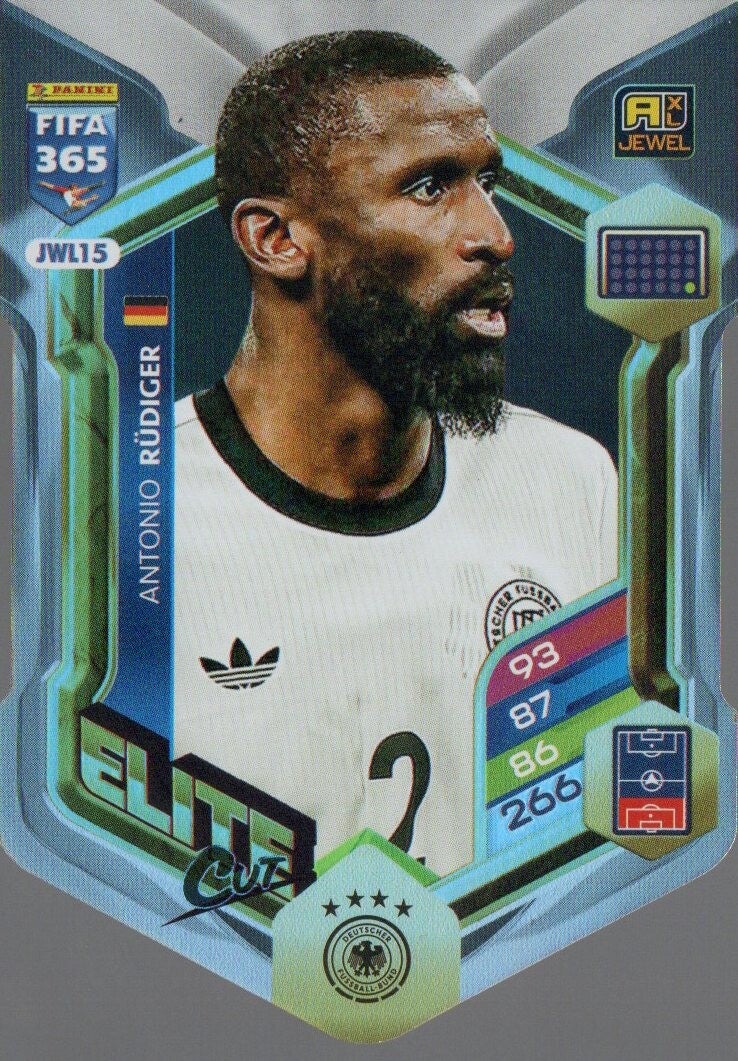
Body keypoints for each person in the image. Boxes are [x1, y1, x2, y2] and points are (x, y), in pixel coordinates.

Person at [173, 31, 617, 878]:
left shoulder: (570, 480)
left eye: (488, 184)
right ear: (275, 238)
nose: (495, 235)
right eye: (429, 187)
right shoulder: (125, 513)